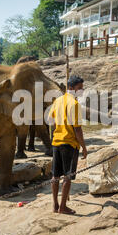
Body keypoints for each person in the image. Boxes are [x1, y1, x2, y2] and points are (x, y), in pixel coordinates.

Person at [48, 75, 87, 215]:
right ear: (71, 88)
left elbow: (50, 120)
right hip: (69, 143)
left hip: (56, 142)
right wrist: (84, 147)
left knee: (55, 176)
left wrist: (61, 125)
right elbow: (78, 129)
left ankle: (55, 205)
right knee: (67, 176)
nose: (82, 91)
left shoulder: (58, 101)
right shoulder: (75, 104)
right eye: (79, 88)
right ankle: (63, 207)